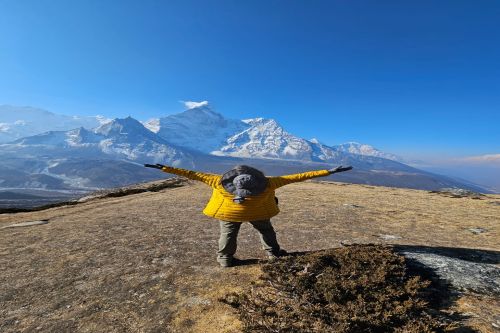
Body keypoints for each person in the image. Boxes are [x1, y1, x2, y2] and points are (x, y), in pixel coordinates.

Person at [144, 163, 353, 267]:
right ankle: (273, 254)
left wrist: (163, 167)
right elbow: (299, 176)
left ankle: (225, 259)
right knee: (266, 230)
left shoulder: (216, 181)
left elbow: (190, 173)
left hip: (229, 213)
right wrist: (329, 171)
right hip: (258, 212)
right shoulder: (270, 182)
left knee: (227, 234)